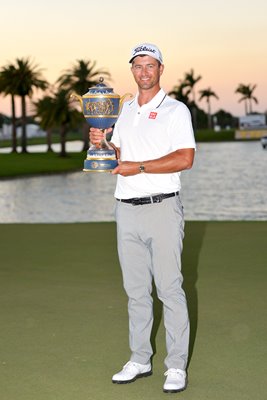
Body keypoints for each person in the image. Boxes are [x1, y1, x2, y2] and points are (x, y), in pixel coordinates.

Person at [89, 42, 196, 393]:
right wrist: (102, 142)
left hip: (162, 207)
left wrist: (141, 167)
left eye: (150, 65)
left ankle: (176, 365)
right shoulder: (124, 110)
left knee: (169, 288)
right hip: (126, 208)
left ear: (161, 69)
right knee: (135, 291)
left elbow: (184, 158)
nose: (144, 71)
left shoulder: (176, 110)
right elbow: (119, 153)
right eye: (138, 65)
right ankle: (140, 358)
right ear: (132, 70)